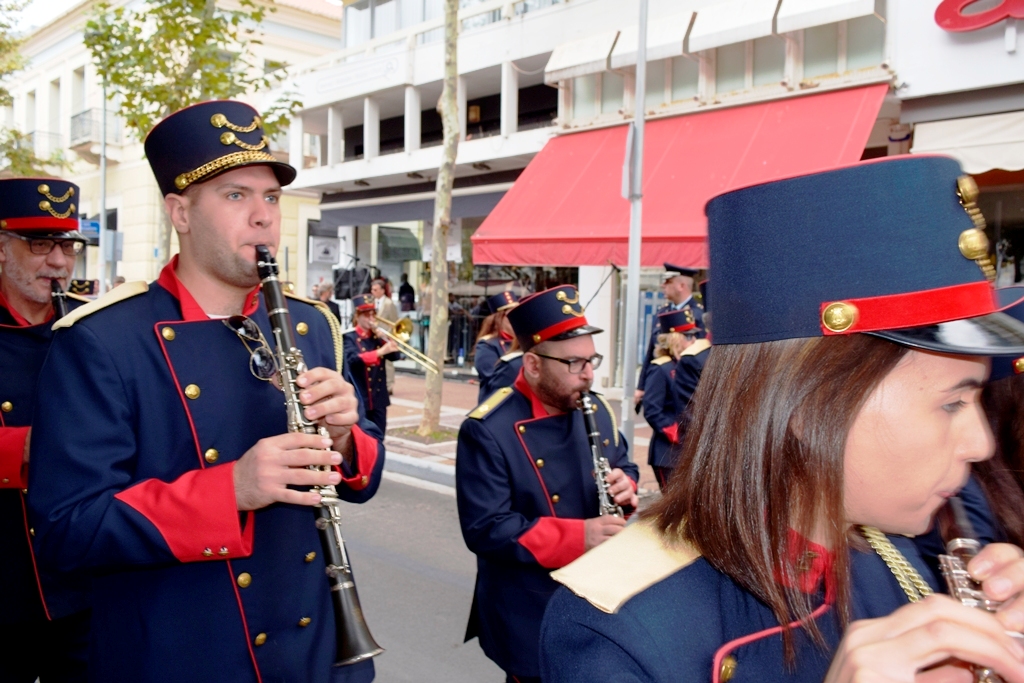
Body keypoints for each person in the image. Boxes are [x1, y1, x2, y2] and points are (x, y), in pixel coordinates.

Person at [540, 156, 1024, 682]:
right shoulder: (617, 630)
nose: (980, 443)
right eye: (954, 403)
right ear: (807, 401)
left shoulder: (898, 554)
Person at [27, 100, 386, 683]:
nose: (264, 216)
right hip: (180, 653)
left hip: (320, 651)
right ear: (181, 213)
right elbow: (68, 532)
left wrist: (345, 437)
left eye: (271, 197)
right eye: (236, 195)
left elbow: (362, 468)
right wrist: (232, 489)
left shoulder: (310, 323)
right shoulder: (102, 340)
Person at [456, 284, 640, 683]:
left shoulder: (595, 406)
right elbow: (486, 529)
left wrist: (627, 483)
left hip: (598, 601)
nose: (589, 374)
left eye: (592, 360)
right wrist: (581, 536)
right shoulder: (487, 428)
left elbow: (622, 461)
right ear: (534, 364)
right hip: (531, 610)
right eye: (574, 364)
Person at [0, 178, 92, 682]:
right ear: (0, 247)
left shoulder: (91, 328)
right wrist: (31, 448)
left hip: (84, 590)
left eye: (67, 245)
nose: (58, 262)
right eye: (40, 244)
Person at [641, 308, 697, 491]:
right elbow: (652, 408)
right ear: (674, 338)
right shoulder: (661, 368)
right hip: (667, 452)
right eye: (688, 336)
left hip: (684, 451)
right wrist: (674, 431)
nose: (694, 340)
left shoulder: (684, 365)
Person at [634, 263, 703, 408]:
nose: (662, 285)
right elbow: (651, 351)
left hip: (683, 386)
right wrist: (641, 386)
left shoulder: (697, 315)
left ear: (681, 286)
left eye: (668, 282)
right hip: (659, 385)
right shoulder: (662, 313)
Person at [344, 293, 400, 436]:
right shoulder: (349, 337)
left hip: (379, 398)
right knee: (362, 438)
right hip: (361, 397)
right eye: (366, 315)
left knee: (379, 437)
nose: (371, 319)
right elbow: (353, 360)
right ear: (358, 316)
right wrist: (380, 351)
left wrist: (386, 340)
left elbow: (395, 356)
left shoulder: (377, 337)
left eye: (373, 315)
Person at [473, 291, 522, 403]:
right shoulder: (487, 345)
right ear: (499, 319)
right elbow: (494, 378)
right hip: (496, 404)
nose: (516, 319)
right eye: (510, 315)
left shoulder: (525, 342)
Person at [370, 278, 398, 394]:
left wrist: (389, 334)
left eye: (375, 290)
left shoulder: (388, 303)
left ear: (382, 290)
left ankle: (389, 385)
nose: (373, 292)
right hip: (374, 335)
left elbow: (394, 321)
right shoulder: (370, 301)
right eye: (372, 289)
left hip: (385, 335)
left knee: (388, 363)